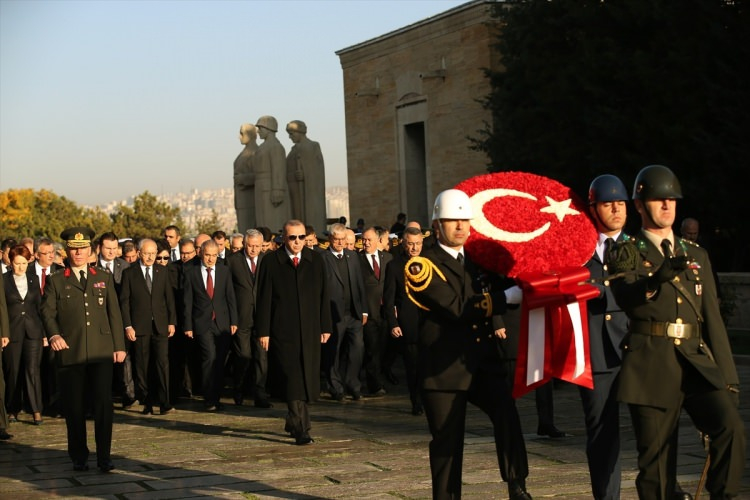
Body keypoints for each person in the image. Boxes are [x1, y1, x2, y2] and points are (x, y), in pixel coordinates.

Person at [608, 165, 745, 499]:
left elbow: (711, 318)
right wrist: (656, 280)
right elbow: (626, 297)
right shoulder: (626, 250)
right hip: (652, 362)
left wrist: (727, 377)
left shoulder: (695, 253)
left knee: (731, 430)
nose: (667, 206)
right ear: (640, 205)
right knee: (657, 464)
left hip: (695, 362)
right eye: (658, 199)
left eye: (671, 199)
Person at [404, 189, 531, 500]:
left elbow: (510, 275)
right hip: (443, 370)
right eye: (452, 221)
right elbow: (458, 307)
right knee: (447, 444)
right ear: (437, 226)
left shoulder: (478, 261)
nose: (460, 227)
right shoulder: (422, 266)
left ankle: (517, 484)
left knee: (507, 414)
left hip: (481, 362)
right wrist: (504, 299)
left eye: (464, 220)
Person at [41, 227, 126, 472]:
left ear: (91, 251)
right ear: (67, 251)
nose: (78, 253)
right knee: (74, 407)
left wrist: (119, 346)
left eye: (82, 249)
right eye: (73, 249)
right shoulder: (57, 280)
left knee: (103, 405)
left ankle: (104, 456)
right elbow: (47, 312)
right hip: (71, 351)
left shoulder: (103, 277)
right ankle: (78, 455)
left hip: (101, 350)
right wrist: (54, 334)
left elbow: (114, 313)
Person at [578, 174, 631, 499]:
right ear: (594, 208)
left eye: (620, 203)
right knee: (602, 437)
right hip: (596, 355)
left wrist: (602, 293)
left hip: (636, 350)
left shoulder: (640, 249)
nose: (616, 209)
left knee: (653, 433)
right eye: (608, 203)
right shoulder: (578, 253)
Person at [256, 219, 332, 445]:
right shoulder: (271, 261)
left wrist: (325, 325)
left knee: (306, 375)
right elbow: (264, 298)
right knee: (292, 378)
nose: (297, 242)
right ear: (283, 238)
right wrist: (264, 331)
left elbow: (323, 295)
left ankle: (292, 420)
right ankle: (302, 428)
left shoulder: (315, 260)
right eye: (292, 237)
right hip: (282, 330)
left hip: (309, 329)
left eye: (301, 237)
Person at [119, 239, 176, 416]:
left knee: (162, 364)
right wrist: (128, 326)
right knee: (142, 366)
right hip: (139, 327)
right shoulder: (130, 274)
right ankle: (147, 402)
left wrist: (172, 322)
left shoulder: (163, 271)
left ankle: (165, 402)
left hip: (160, 325)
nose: (151, 256)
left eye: (153, 253)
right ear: (139, 253)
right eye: (147, 253)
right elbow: (125, 302)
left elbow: (169, 299)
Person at [182, 239, 238, 411]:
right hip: (202, 322)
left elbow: (230, 297)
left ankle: (216, 396)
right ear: (201, 254)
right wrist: (188, 326)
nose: (211, 259)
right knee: (209, 358)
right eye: (207, 255)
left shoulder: (224, 271)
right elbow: (187, 302)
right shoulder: (191, 273)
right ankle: (209, 398)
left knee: (220, 360)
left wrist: (234, 321)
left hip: (222, 323)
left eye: (214, 255)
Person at [321, 223, 368, 401]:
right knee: (333, 351)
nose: (340, 243)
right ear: (330, 239)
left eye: (343, 239)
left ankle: (353, 384)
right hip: (334, 314)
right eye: (337, 239)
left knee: (357, 349)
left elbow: (359, 284)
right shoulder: (323, 258)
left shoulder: (353, 256)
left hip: (354, 313)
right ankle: (335, 387)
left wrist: (364, 311)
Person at [227, 229, 271, 408]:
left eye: (257, 246)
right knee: (243, 355)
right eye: (250, 246)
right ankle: (239, 390)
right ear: (245, 245)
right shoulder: (232, 261)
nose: (253, 250)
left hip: (262, 317)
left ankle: (260, 393)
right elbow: (228, 291)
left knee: (262, 357)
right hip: (241, 318)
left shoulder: (267, 261)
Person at [382, 226, 424, 414]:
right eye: (410, 244)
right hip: (408, 324)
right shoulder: (394, 265)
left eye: (417, 244)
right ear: (403, 244)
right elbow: (389, 298)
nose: (414, 248)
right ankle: (417, 402)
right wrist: (393, 323)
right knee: (414, 367)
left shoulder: (430, 262)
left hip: (430, 323)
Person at [3, 245, 45, 425]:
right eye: (17, 263)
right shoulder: (3, 280)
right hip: (12, 331)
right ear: (10, 263)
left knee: (33, 370)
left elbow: (39, 307)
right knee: (13, 371)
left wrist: (44, 333)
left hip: (33, 330)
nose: (20, 267)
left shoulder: (34, 279)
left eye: (24, 263)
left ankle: (36, 409)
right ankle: (12, 408)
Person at [359, 226, 392, 396]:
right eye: (363, 239)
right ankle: (375, 385)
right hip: (369, 313)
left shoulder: (388, 259)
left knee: (383, 348)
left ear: (378, 240)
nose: (365, 242)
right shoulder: (357, 260)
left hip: (385, 312)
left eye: (369, 239)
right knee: (372, 349)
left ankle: (380, 378)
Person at [285, 120, 327, 232]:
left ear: (300, 132)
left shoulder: (312, 146)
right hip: (295, 193)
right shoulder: (294, 149)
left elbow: (317, 171)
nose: (290, 137)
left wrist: (306, 175)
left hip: (306, 193)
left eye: (292, 134)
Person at [255, 115, 291, 233]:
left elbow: (279, 169)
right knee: (262, 221)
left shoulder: (276, 146)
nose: (258, 131)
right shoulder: (264, 147)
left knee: (272, 220)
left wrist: (278, 189)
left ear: (268, 128)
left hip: (270, 188)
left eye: (261, 128)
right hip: (262, 188)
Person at [234, 123, 259, 232]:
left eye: (242, 133)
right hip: (242, 199)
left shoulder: (256, 152)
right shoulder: (245, 153)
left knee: (249, 231)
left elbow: (260, 174)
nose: (239, 136)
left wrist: (243, 179)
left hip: (250, 200)